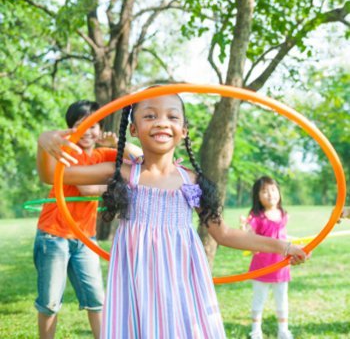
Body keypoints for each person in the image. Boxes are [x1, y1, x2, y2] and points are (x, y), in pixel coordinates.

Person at [40, 93, 308, 339]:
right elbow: (51, 175)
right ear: (133, 129)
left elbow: (224, 234)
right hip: (137, 284)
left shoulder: (191, 181)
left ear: (184, 130)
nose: (161, 122)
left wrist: (283, 247)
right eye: (149, 115)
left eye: (172, 116)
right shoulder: (120, 172)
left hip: (181, 285)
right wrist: (44, 142)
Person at [35, 100, 142, 339]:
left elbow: (140, 158)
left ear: (101, 128)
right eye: (80, 124)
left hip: (84, 237)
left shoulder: (104, 153)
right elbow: (86, 189)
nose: (88, 130)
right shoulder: (66, 154)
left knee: (97, 300)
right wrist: (117, 190)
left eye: (94, 124)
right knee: (50, 302)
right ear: (69, 129)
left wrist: (118, 144)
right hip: (53, 235)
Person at [240, 176, 295, 339]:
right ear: (257, 196)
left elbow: (282, 235)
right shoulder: (257, 217)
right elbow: (249, 236)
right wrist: (244, 227)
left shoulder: (283, 214)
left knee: (282, 299)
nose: (270, 194)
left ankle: (283, 330)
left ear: (278, 192)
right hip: (262, 266)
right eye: (264, 191)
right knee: (259, 299)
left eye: (272, 189)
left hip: (281, 266)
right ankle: (256, 330)